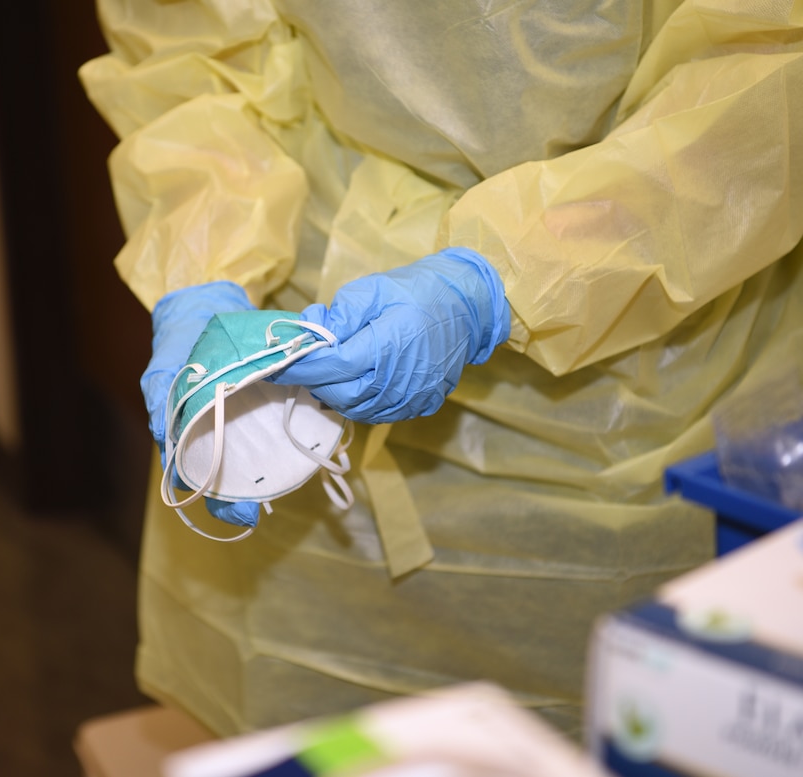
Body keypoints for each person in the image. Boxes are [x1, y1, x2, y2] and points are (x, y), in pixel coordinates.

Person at [80, 0, 803, 737]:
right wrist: (205, 259)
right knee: (311, 730)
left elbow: (767, 75)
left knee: (625, 722)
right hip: (301, 313)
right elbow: (183, 46)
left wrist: (500, 280)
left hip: (629, 359)